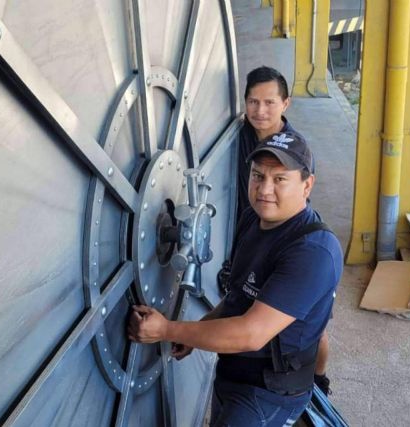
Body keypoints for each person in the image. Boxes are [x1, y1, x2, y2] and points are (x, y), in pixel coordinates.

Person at [129, 132, 343, 427]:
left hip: (267, 395)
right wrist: (199, 331)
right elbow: (238, 298)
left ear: (307, 185)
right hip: (233, 375)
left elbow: (250, 334)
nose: (264, 189)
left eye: (279, 179)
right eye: (258, 175)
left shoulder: (313, 252)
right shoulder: (252, 220)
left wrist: (169, 330)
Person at [235, 66, 331, 395]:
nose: (260, 111)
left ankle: (314, 381)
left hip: (279, 238)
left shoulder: (297, 152)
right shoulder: (234, 137)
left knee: (303, 325)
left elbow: (292, 212)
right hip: (250, 231)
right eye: (253, 102)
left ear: (285, 104)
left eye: (269, 102)